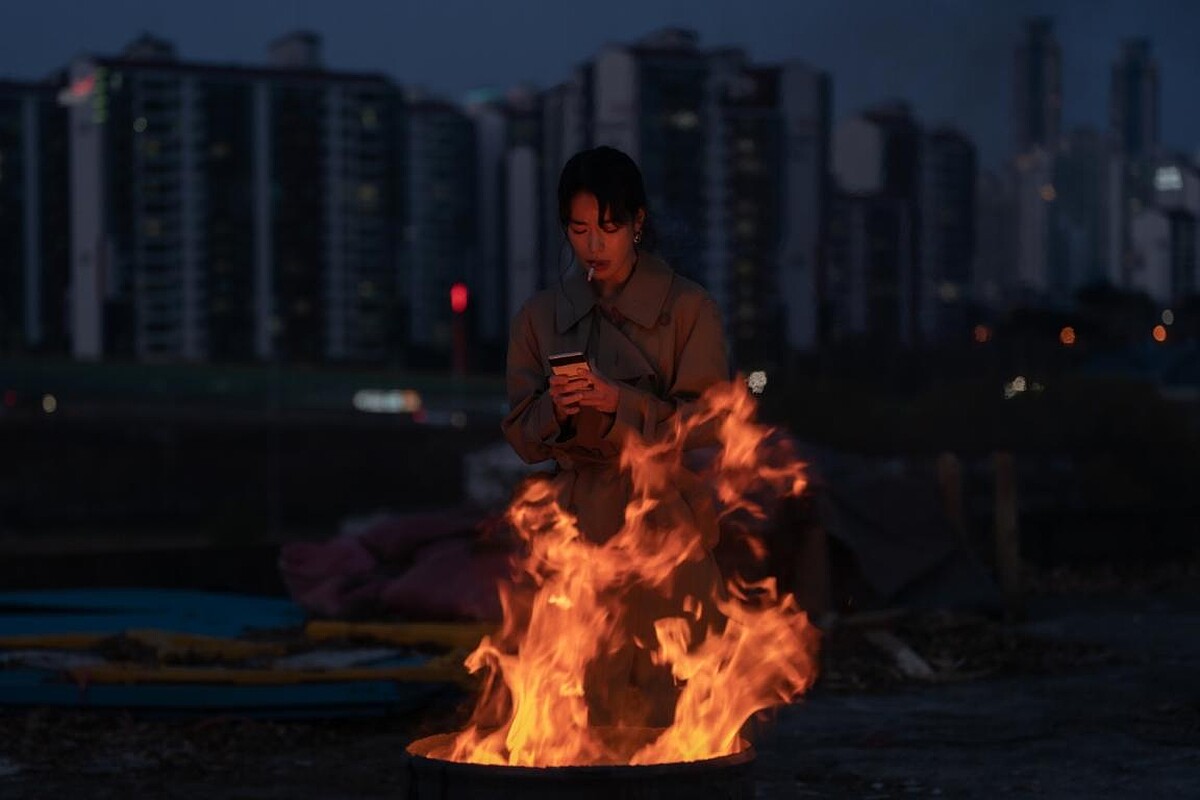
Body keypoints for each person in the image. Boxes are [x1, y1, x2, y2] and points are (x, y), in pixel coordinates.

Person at [501, 145, 731, 725]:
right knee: (577, 694)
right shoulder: (539, 318)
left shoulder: (688, 309)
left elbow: (708, 425)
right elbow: (522, 438)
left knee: (672, 695)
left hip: (664, 519)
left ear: (638, 223)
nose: (594, 245)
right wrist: (555, 408)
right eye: (579, 230)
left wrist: (619, 402)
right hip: (576, 524)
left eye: (609, 228)